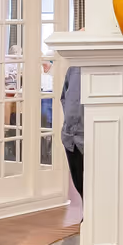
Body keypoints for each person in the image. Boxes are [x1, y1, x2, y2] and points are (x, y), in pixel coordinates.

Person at [57, 64, 85, 197]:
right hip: (70, 137)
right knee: (79, 184)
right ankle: (86, 215)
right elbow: (64, 97)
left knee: (93, 185)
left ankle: (90, 216)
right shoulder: (73, 69)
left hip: (88, 137)